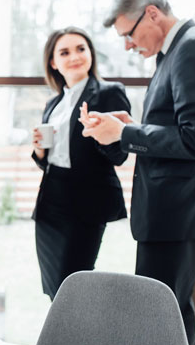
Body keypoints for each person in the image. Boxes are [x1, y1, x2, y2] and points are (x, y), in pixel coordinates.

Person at [80, 0, 195, 345]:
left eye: (129, 35)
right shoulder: (181, 49)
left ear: (152, 13)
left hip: (177, 209)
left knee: (160, 319)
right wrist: (130, 126)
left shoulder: (193, 49)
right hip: (174, 208)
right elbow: (178, 126)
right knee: (170, 317)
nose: (130, 47)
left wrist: (125, 136)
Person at [31, 27, 131, 300]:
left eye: (81, 49)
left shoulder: (110, 93)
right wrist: (40, 151)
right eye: (64, 52)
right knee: (53, 287)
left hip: (87, 203)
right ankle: (59, 341)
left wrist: (98, 133)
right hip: (51, 202)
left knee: (73, 287)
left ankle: (75, 341)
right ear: (53, 62)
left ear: (90, 54)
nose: (74, 56)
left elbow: (120, 155)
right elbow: (51, 160)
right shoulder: (53, 104)